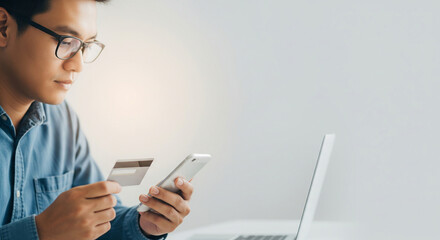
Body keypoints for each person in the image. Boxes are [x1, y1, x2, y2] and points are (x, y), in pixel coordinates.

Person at [0, 0, 194, 239]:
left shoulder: (62, 121)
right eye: (66, 41)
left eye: (86, 46)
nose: (78, 65)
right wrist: (40, 232)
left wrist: (144, 225)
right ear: (3, 27)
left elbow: (96, 221)